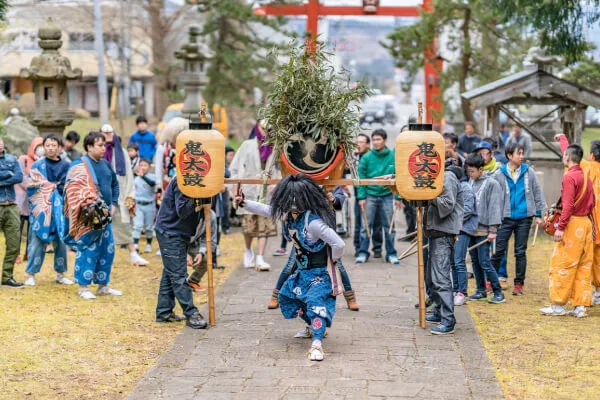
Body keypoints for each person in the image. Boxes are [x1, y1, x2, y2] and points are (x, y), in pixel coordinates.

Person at [235, 174, 345, 361]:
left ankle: (317, 343)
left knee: (316, 304)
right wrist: (244, 203)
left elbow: (339, 244)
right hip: (301, 272)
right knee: (287, 297)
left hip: (318, 275)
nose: (293, 203)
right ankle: (311, 327)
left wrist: (332, 261)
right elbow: (267, 210)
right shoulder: (288, 215)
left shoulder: (313, 222)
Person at [266, 185, 359, 311]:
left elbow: (340, 197)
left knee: (339, 267)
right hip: (305, 237)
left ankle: (350, 298)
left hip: (326, 235)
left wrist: (333, 199)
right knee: (290, 266)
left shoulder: (331, 181)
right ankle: (276, 296)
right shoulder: (303, 183)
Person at [62, 132, 122, 299]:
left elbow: (115, 184)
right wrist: (88, 201)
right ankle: (83, 287)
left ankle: (103, 285)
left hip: (105, 217)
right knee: (88, 250)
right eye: (100, 145)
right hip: (87, 217)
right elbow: (71, 190)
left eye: (104, 145)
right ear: (89, 147)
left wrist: (114, 204)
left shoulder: (106, 164)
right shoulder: (78, 166)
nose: (104, 148)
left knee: (107, 250)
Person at [540, 144, 594, 317]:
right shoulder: (586, 175)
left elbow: (568, 205)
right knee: (584, 266)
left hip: (572, 225)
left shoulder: (569, 177)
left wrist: (560, 228)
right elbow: (592, 203)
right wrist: (593, 226)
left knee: (563, 264)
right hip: (586, 223)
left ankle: (558, 305)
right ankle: (580, 306)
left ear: (568, 157)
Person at [491, 142, 546, 295]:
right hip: (505, 217)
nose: (522, 156)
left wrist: (539, 214)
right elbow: (494, 198)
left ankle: (518, 284)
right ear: (509, 156)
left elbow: (537, 192)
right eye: (519, 153)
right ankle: (491, 281)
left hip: (524, 217)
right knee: (498, 250)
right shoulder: (499, 174)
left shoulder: (529, 172)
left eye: (523, 153)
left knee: (520, 252)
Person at [154, 178, 208, 329]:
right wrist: (201, 200)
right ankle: (191, 313)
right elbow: (183, 211)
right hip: (170, 231)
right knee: (178, 274)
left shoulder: (197, 180)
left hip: (179, 232)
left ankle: (164, 312)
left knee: (170, 271)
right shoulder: (184, 180)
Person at [555, 135, 600, 305]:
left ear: (592, 156)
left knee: (575, 262)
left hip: (587, 222)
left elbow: (571, 157)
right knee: (592, 261)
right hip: (591, 224)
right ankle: (595, 294)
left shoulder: (587, 168)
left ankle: (562, 302)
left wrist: (562, 139)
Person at [229, 122, 281, 271]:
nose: (265, 132)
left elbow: (278, 168)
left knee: (264, 224)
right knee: (249, 225)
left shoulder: (275, 147)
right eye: (263, 129)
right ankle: (248, 251)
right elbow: (234, 167)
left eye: (268, 129)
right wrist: (235, 187)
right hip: (249, 190)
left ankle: (260, 257)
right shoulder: (247, 145)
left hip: (267, 189)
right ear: (257, 128)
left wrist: (276, 183)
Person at [24, 134, 73, 286]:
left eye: (54, 145)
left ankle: (60, 273)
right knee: (37, 240)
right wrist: (47, 187)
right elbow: (30, 185)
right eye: (48, 145)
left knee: (61, 242)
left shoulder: (66, 165)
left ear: (60, 147)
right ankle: (31, 274)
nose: (51, 148)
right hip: (41, 210)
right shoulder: (38, 165)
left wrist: (56, 189)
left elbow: (69, 185)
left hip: (60, 210)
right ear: (43, 147)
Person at [424, 161, 464, 335]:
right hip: (436, 231)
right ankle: (440, 311)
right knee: (432, 277)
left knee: (440, 277)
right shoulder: (442, 177)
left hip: (443, 232)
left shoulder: (447, 177)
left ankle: (448, 320)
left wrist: (428, 195)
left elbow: (447, 205)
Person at [99, 124, 148, 266]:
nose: (108, 135)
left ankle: (133, 254)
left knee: (124, 225)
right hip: (101, 194)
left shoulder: (122, 152)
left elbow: (129, 177)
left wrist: (130, 195)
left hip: (119, 194)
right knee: (100, 227)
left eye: (110, 132)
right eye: (105, 133)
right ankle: (102, 256)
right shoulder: (97, 152)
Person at [463, 154, 505, 304]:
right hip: (471, 229)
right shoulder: (470, 182)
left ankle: (498, 291)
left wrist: (493, 230)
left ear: (481, 169)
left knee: (485, 262)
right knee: (474, 261)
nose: (470, 174)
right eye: (468, 171)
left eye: (473, 171)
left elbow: (495, 208)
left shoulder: (492, 184)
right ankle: (481, 290)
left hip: (484, 229)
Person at [356, 129, 401, 264]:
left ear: (385, 141)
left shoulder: (393, 156)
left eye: (378, 139)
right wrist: (361, 197)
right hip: (370, 195)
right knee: (366, 226)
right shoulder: (366, 157)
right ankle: (363, 252)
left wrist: (398, 198)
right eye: (374, 139)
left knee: (389, 226)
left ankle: (391, 253)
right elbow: (361, 178)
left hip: (387, 195)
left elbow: (399, 176)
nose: (376, 142)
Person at [0, 138, 24, 287]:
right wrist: (7, 174)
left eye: (1, 141)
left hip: (12, 206)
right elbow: (12, 177)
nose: (0, 143)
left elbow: (19, 177)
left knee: (14, 243)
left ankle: (7, 277)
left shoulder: (12, 159)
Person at [452, 164, 476, 306]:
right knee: (453, 262)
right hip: (455, 228)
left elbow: (467, 210)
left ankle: (462, 291)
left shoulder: (465, 187)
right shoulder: (456, 186)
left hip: (463, 228)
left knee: (459, 261)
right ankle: (456, 289)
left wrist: (454, 221)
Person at [187, 208, 218, 292]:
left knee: (206, 260)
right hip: (178, 243)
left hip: (193, 244)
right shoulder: (186, 211)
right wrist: (184, 253)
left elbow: (208, 237)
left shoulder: (211, 215)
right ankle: (175, 286)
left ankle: (192, 282)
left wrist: (201, 252)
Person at [133, 158, 156, 253]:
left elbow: (152, 184)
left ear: (149, 167)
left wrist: (143, 176)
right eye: (141, 165)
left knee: (149, 227)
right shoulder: (136, 179)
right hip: (139, 205)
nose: (143, 167)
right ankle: (135, 245)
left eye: (145, 165)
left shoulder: (153, 177)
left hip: (150, 205)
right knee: (137, 225)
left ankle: (148, 244)